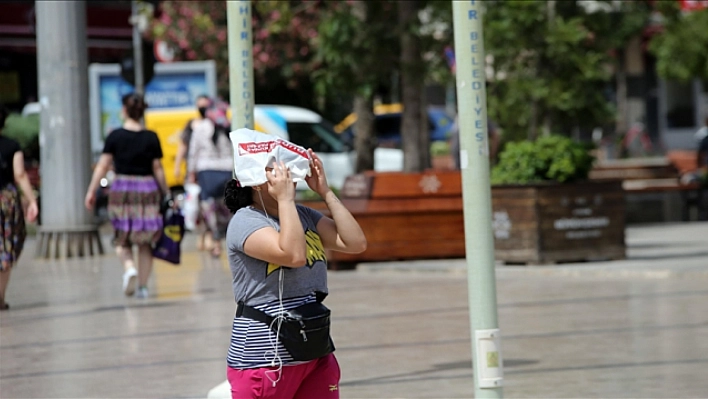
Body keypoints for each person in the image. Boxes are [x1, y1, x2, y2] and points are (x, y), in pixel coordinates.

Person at [223, 149, 367, 399]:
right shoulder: (245, 221)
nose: (286, 173)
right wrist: (285, 201)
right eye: (274, 168)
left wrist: (325, 191)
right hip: (265, 359)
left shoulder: (303, 215)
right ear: (256, 182)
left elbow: (355, 243)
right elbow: (293, 255)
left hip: (314, 350)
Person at [84, 93, 168, 299]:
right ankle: (143, 287)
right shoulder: (151, 137)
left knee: (122, 237)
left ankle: (129, 267)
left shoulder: (115, 136)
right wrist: (165, 192)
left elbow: (103, 165)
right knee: (145, 240)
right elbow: (157, 168)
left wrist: (91, 190)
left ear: (124, 110)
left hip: (122, 188)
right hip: (147, 188)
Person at [0, 104, 39, 310]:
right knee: (5, 247)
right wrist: (32, 200)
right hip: (6, 200)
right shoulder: (11, 146)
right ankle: (0, 297)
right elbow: (20, 175)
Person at [186, 96, 233, 258]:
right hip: (227, 170)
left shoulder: (201, 127)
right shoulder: (228, 126)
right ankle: (229, 238)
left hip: (206, 171)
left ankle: (215, 242)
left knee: (208, 207)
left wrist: (191, 172)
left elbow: (194, 151)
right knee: (225, 207)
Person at [174, 95, 213, 252]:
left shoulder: (213, 124)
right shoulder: (191, 125)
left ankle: (209, 234)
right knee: (194, 205)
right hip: (193, 171)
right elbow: (183, 146)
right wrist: (177, 165)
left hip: (207, 169)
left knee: (207, 203)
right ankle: (201, 234)